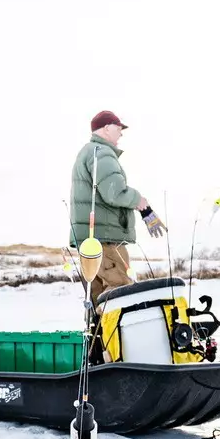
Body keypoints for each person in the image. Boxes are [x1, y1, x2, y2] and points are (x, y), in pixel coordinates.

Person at [68, 110, 164, 303]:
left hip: (89, 242)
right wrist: (141, 202)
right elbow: (114, 192)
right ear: (106, 128)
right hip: (105, 240)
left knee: (97, 298)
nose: (121, 134)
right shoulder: (102, 153)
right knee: (119, 292)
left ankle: (100, 325)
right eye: (119, 128)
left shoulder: (89, 152)